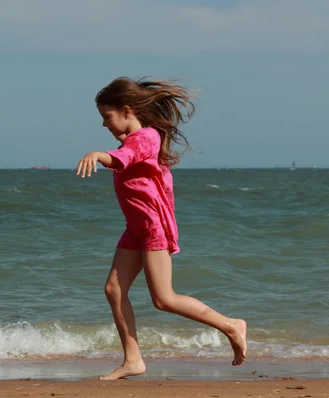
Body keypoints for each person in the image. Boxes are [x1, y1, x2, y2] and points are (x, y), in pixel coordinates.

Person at [76, 77, 247, 380]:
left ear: (126, 110)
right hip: (135, 228)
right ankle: (133, 360)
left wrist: (97, 155)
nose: (104, 124)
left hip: (154, 226)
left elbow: (123, 159)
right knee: (114, 289)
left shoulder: (146, 137)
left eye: (107, 116)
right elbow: (124, 156)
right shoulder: (131, 140)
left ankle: (231, 325)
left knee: (163, 299)